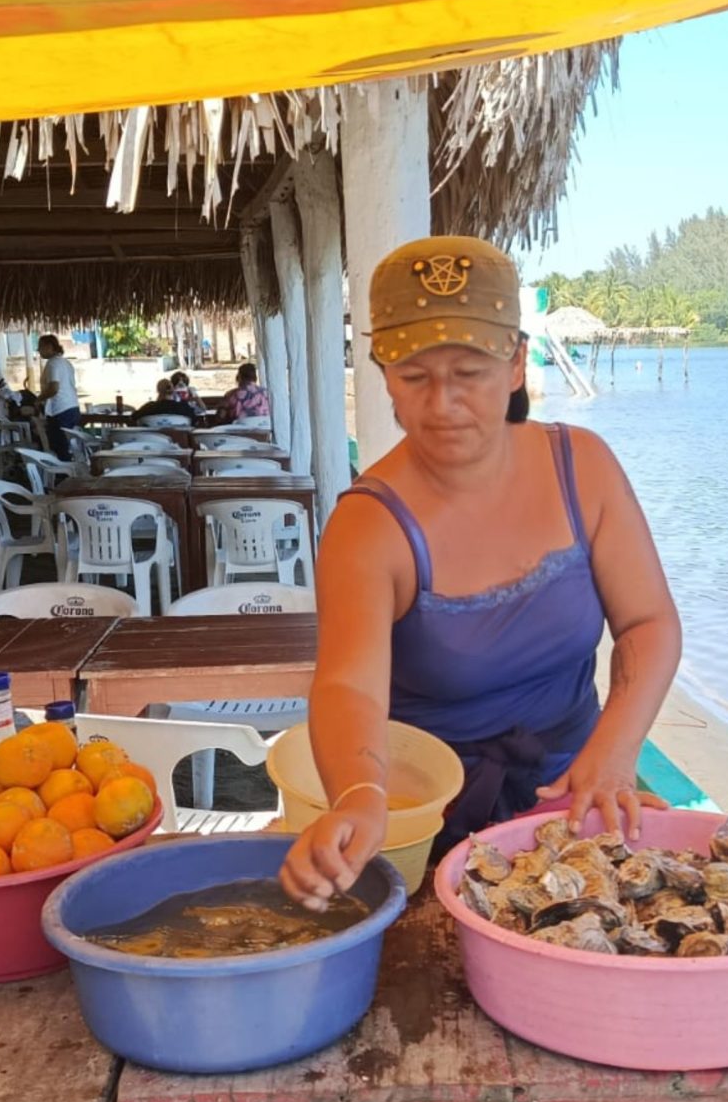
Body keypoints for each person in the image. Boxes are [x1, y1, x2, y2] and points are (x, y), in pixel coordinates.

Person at [280, 236, 683, 911]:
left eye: (469, 372)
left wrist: (616, 749)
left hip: (581, 796)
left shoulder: (583, 466)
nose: (443, 403)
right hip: (429, 812)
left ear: (516, 362)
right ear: (384, 375)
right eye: (414, 376)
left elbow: (649, 621)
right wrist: (359, 794)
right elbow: (348, 684)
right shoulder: (367, 525)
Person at [35, 334, 81, 459]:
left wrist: (39, 399)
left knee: (61, 448)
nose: (38, 350)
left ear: (50, 347)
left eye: (41, 347)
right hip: (73, 407)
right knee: (72, 447)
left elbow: (54, 388)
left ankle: (64, 470)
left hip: (60, 410)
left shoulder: (53, 364)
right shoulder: (66, 363)